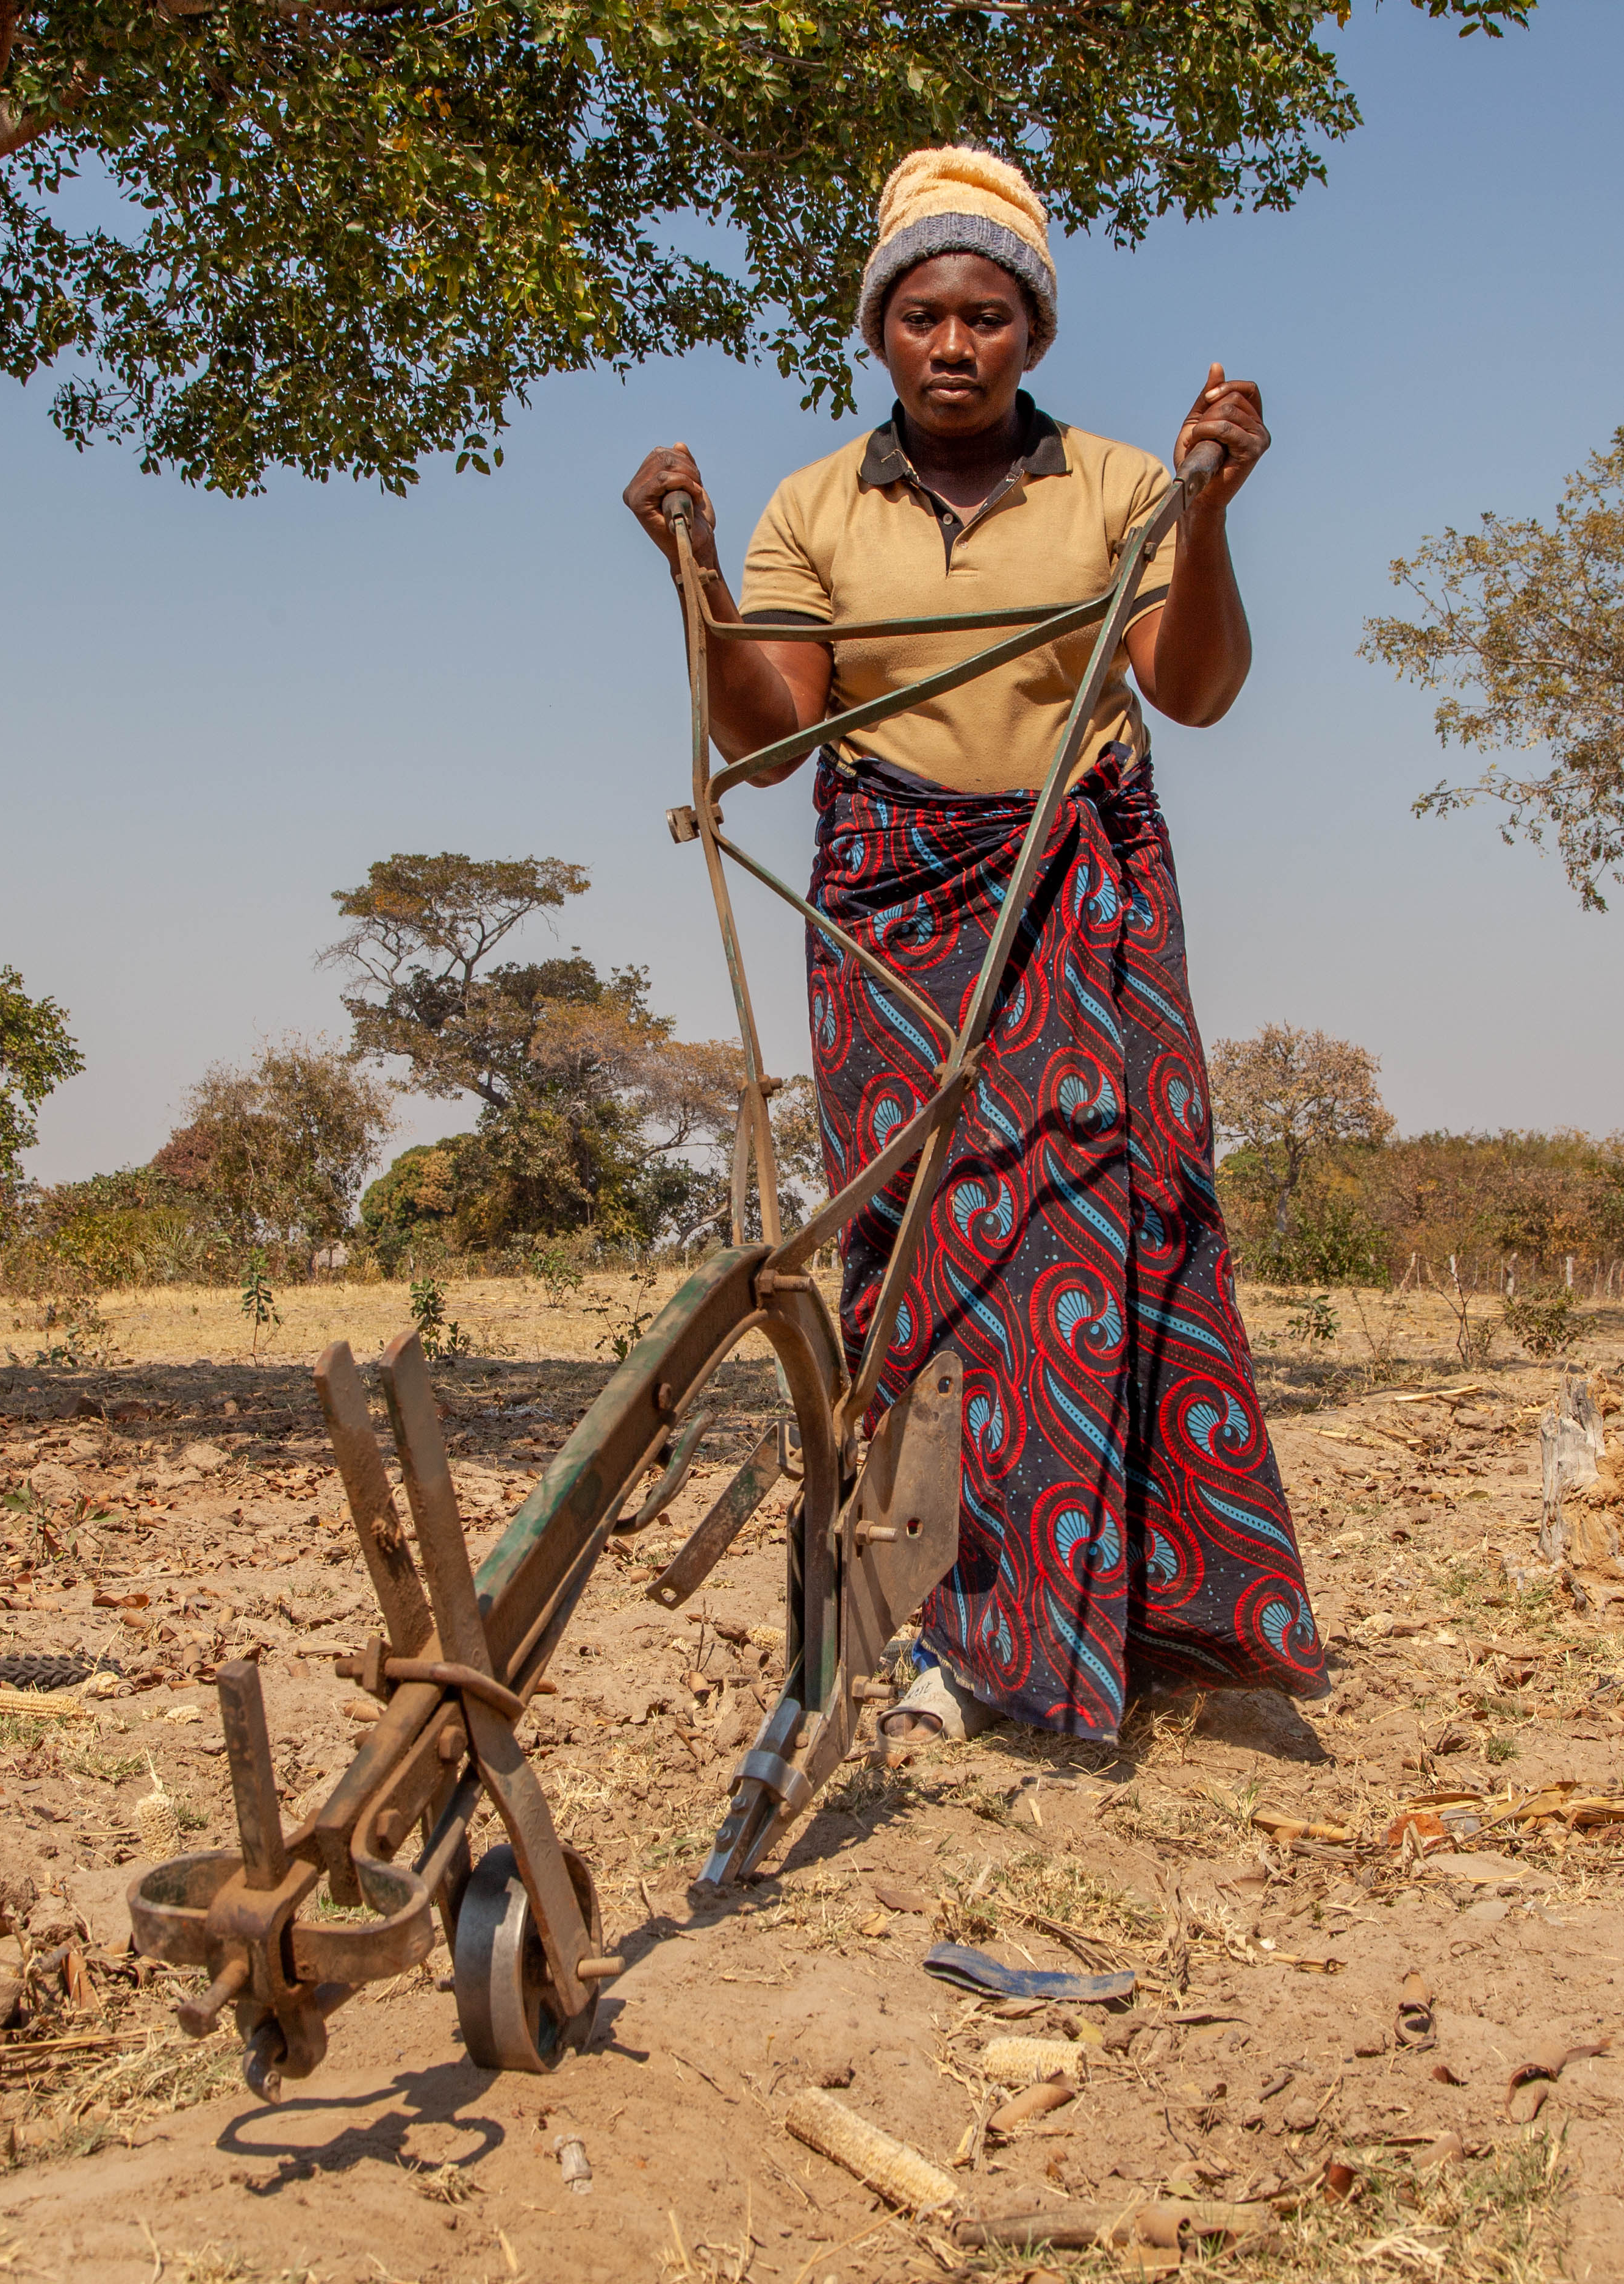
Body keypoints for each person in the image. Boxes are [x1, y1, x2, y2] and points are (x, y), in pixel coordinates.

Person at [620, 146, 1323, 1745]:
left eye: (988, 316)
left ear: (1033, 336)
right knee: (928, 1256)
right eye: (925, 314)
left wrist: (1208, 511)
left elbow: (1194, 688)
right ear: (881, 332)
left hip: (1082, 887)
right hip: (888, 903)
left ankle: (1140, 1635)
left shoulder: (1120, 489)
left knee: (1099, 1225)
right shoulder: (817, 509)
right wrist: (698, 578)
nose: (955, 343)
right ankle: (951, 1630)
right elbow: (775, 739)